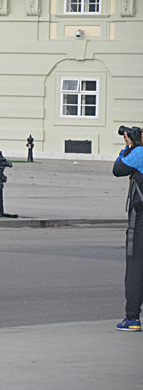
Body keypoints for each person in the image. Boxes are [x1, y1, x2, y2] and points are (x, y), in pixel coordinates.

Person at [112, 125, 143, 332]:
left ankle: (132, 318)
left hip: (140, 218)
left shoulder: (139, 153)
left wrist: (129, 147)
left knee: (135, 267)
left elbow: (118, 169)